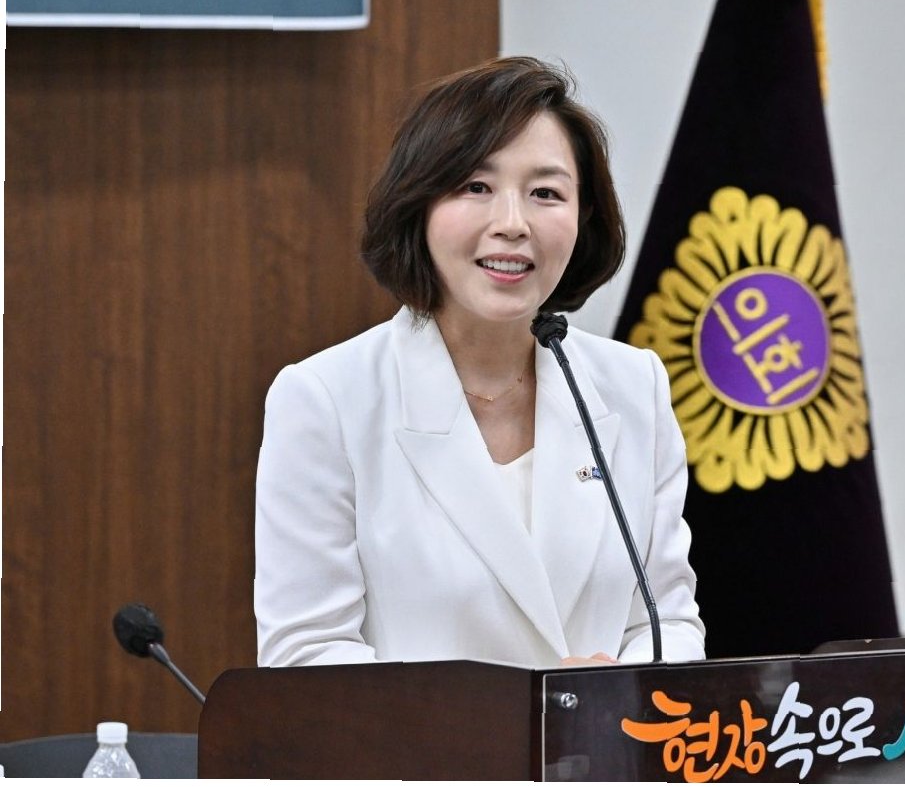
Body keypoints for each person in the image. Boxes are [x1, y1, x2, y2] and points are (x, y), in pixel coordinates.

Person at [254, 56, 705, 669]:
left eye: (546, 193)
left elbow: (667, 622)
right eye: (475, 187)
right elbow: (305, 655)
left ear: (584, 218)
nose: (512, 224)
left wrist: (611, 694)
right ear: (419, 205)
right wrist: (512, 712)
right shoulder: (325, 398)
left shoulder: (633, 384)